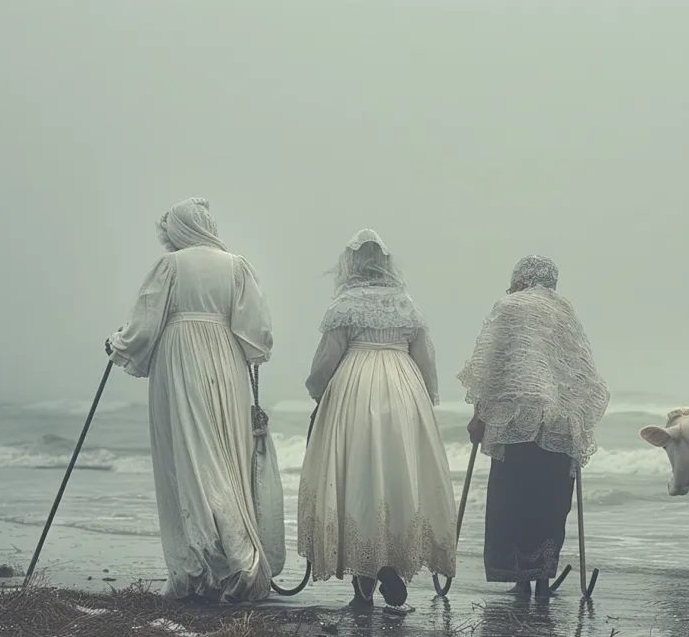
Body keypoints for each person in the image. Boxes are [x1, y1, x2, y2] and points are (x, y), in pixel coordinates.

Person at [105, 197, 275, 604]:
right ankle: (232, 561)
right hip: (225, 360)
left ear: (178, 231)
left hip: (180, 359)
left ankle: (204, 566)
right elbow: (257, 334)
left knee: (187, 456)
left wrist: (118, 344)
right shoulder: (237, 265)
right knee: (222, 454)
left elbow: (146, 321)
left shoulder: (171, 266)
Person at [297, 229, 456, 612]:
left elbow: (326, 361)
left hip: (355, 389)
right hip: (403, 389)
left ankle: (363, 585)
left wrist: (319, 393)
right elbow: (426, 357)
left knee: (358, 478)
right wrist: (425, 399)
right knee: (398, 476)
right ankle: (390, 563)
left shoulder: (344, 305)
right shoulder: (406, 304)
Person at [458, 255, 610, 600]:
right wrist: (578, 419)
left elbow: (495, 365)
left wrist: (480, 414)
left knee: (513, 499)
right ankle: (541, 577)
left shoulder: (510, 307)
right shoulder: (565, 313)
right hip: (560, 423)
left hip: (517, 419)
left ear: (520, 280)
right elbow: (581, 373)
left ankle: (520, 578)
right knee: (550, 501)